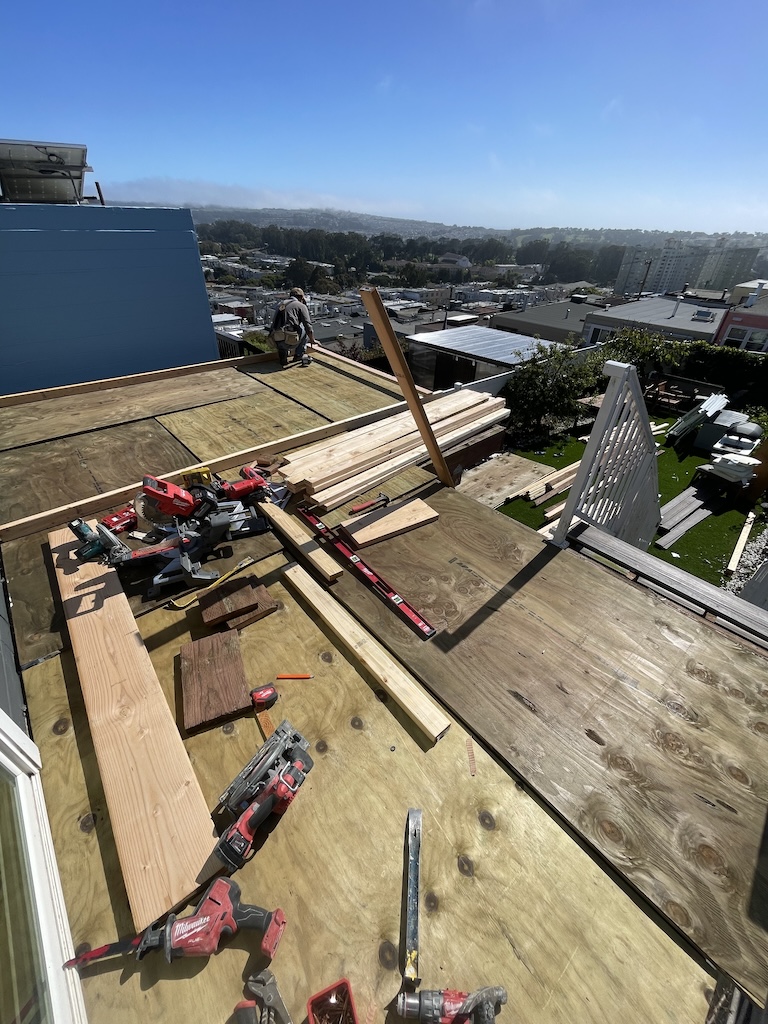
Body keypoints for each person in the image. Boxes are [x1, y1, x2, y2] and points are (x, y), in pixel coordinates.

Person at [270, 288, 316, 368]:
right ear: (301, 297)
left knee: (282, 330)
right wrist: (312, 340)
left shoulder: (280, 304)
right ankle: (298, 355)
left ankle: (283, 357)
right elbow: (308, 326)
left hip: (275, 340)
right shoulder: (301, 305)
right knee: (303, 327)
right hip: (290, 341)